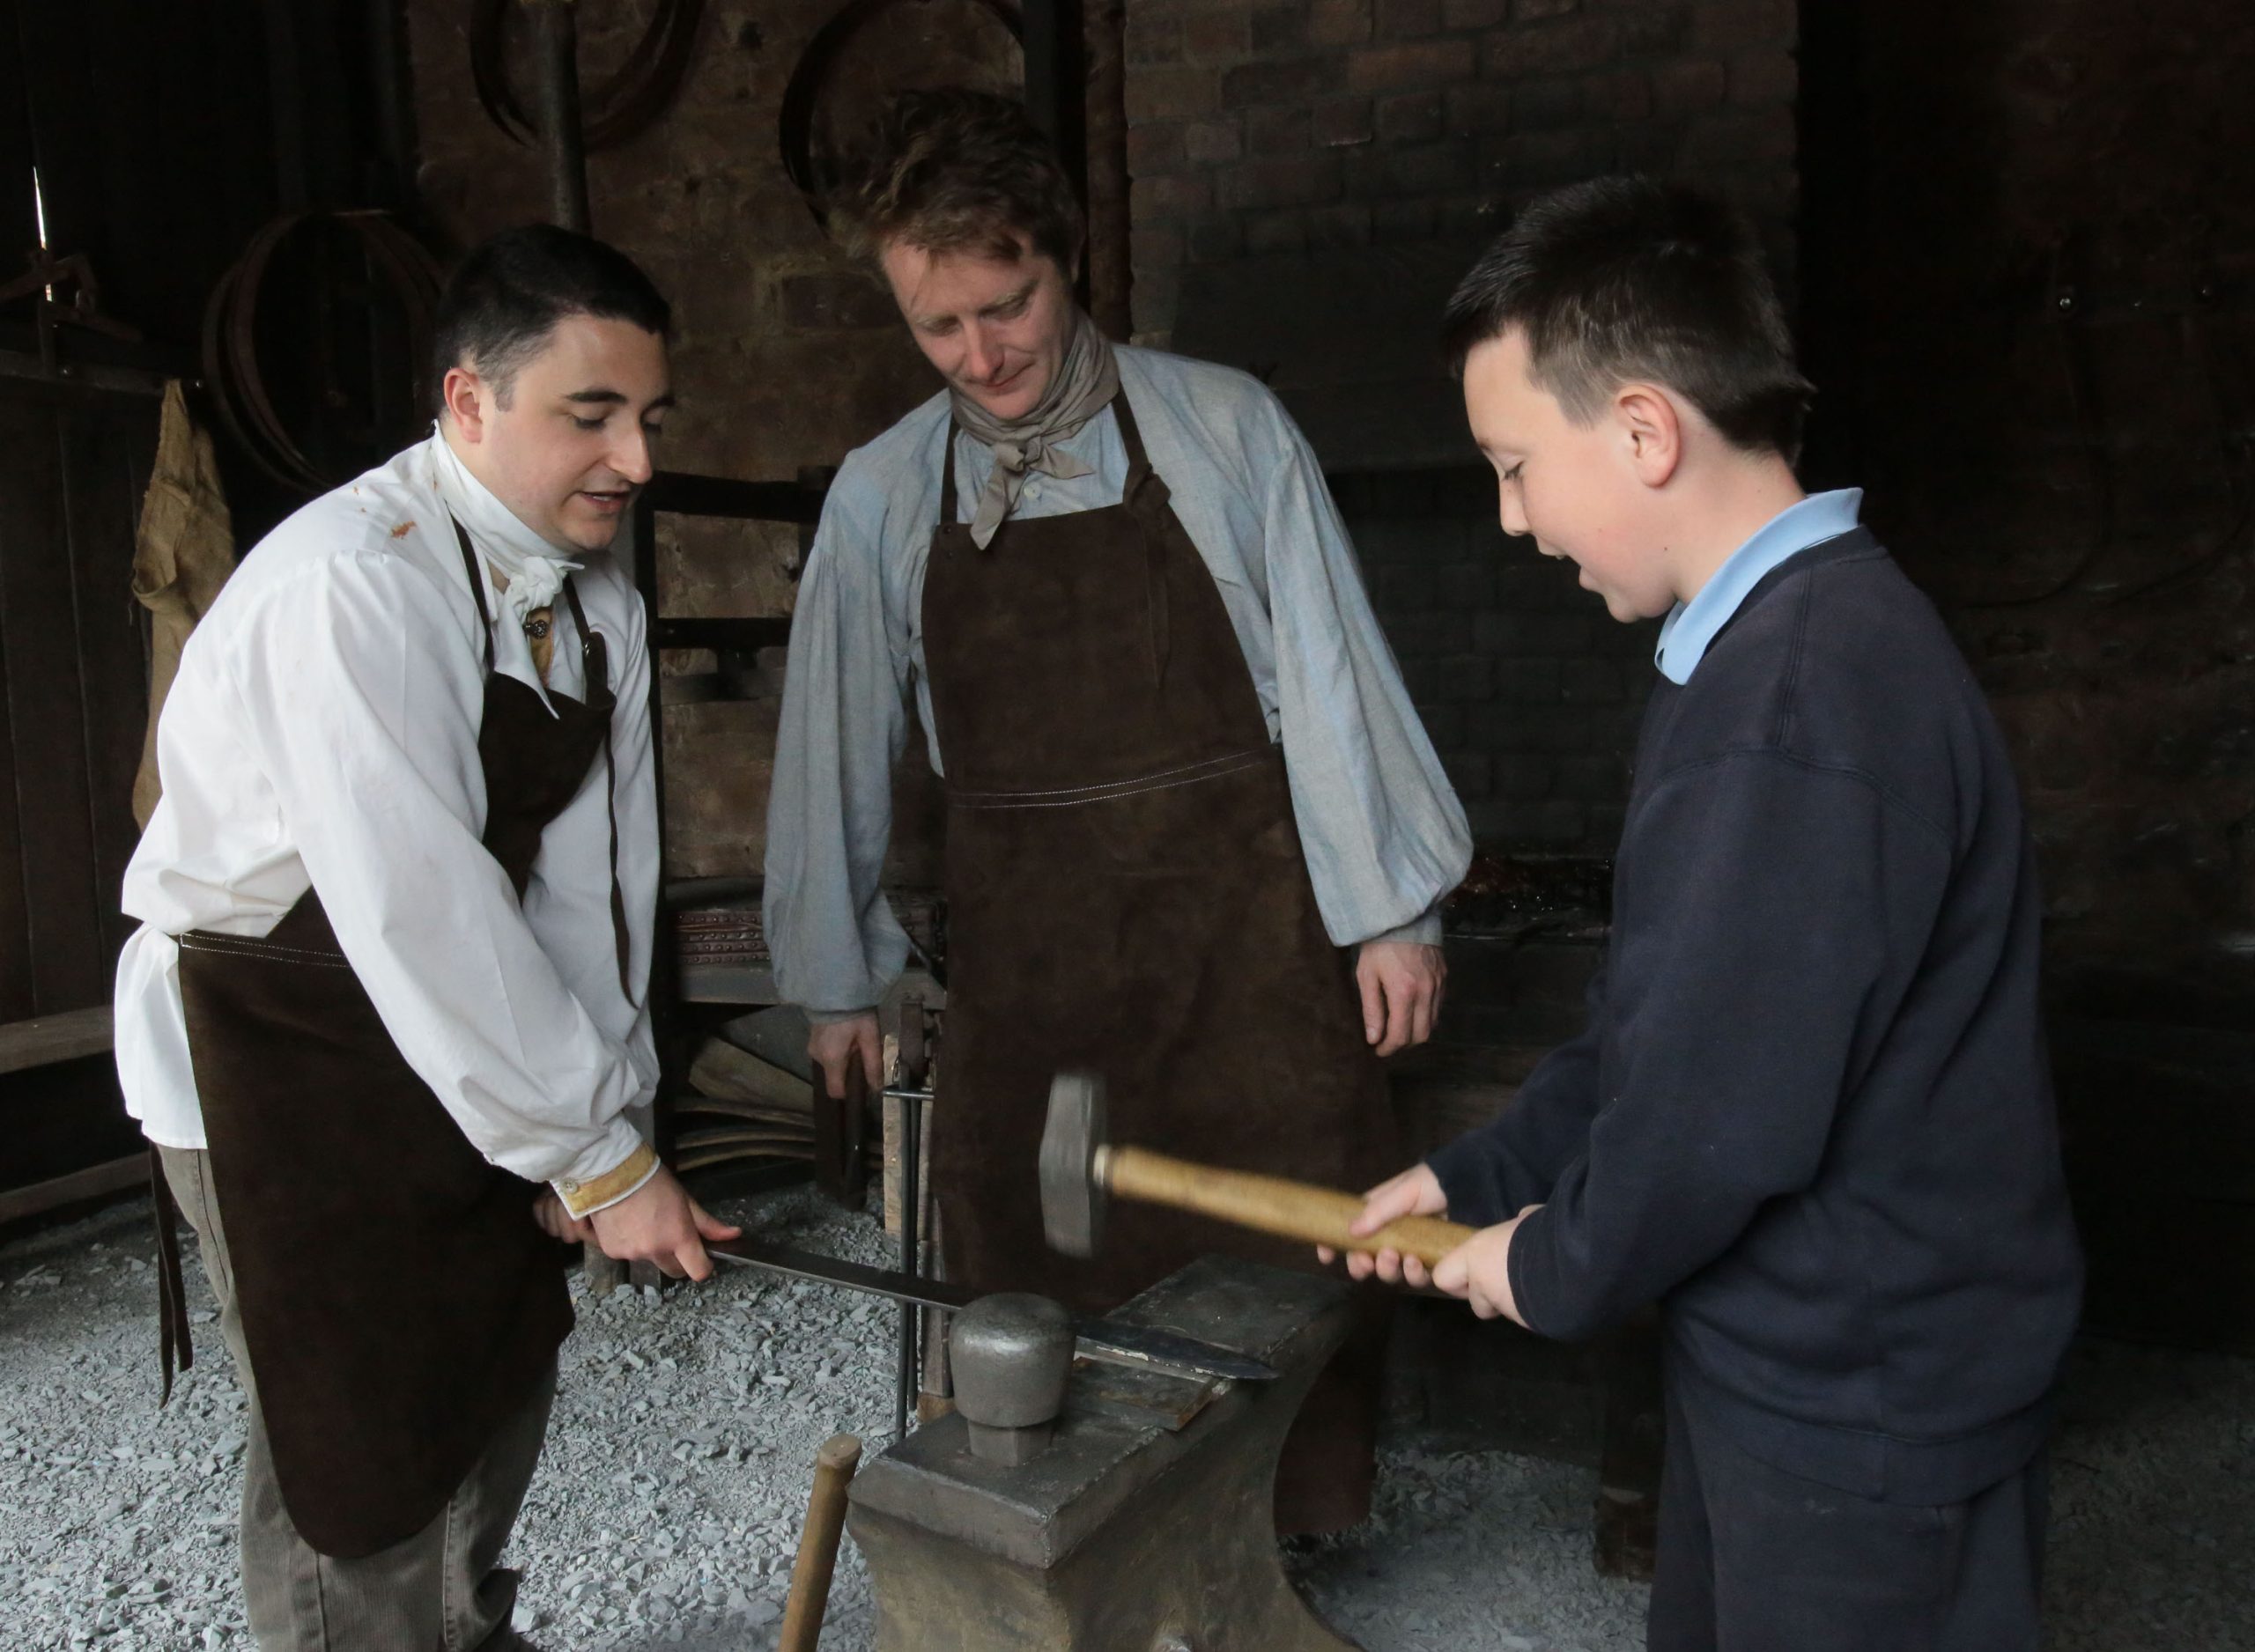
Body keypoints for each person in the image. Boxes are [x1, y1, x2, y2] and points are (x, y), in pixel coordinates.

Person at [1332, 176, 2084, 1648]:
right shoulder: (1756, 651)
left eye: (1514, 467)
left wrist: (1545, 1263)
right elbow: (1659, 1026)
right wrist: (1486, 1176)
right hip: (1788, 1367)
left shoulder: (1798, 702)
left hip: (1868, 1406)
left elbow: (1715, 1121)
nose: (1509, 518)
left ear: (1642, 431)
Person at [764, 89, 1472, 1533]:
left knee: (1290, 1249)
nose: (982, 357)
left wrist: (1393, 910)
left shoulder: (1223, 428)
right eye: (939, 328)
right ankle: (1076, 1539)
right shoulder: (883, 497)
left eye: (1008, 306)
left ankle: (1276, 1536)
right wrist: (835, 980)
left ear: (1067, 257)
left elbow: (1331, 679)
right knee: (1045, 1265)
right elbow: (831, 743)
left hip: (1246, 964)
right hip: (1041, 987)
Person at [115, 225, 738, 1650]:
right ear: (468, 401)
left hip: (456, 1029)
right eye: (592, 415)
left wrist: (607, 1126)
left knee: (492, 1361)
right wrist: (592, 1156)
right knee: (359, 1431)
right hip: (275, 1046)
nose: (636, 461)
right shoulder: (357, 583)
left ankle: (461, 1631)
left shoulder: (596, 603)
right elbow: (418, 899)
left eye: (651, 419)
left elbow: (595, 888)